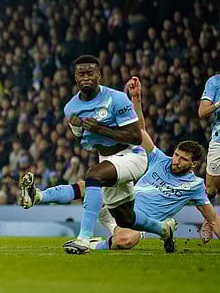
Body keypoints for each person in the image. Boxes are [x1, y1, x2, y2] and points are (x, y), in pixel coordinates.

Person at [22, 76, 220, 250]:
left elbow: (213, 220)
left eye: (183, 159)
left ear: (193, 164)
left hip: (136, 222)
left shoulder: (195, 186)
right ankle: (38, 195)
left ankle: (94, 244)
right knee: (91, 185)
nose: (176, 161)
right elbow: (140, 132)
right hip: (123, 201)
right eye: (176, 155)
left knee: (124, 240)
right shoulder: (160, 159)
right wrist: (136, 99)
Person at [20, 55, 176, 254]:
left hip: (132, 156)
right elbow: (86, 143)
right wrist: (79, 130)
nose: (86, 77)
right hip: (107, 159)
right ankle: (164, 229)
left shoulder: (117, 98)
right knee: (126, 219)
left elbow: (136, 137)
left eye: (90, 73)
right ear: (75, 78)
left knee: (93, 176)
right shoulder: (70, 108)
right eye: (81, 74)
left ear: (99, 75)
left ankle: (83, 239)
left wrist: (101, 128)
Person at [198, 73, 220, 242]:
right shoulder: (214, 82)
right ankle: (208, 219)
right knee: (211, 189)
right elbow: (202, 111)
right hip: (219, 139)